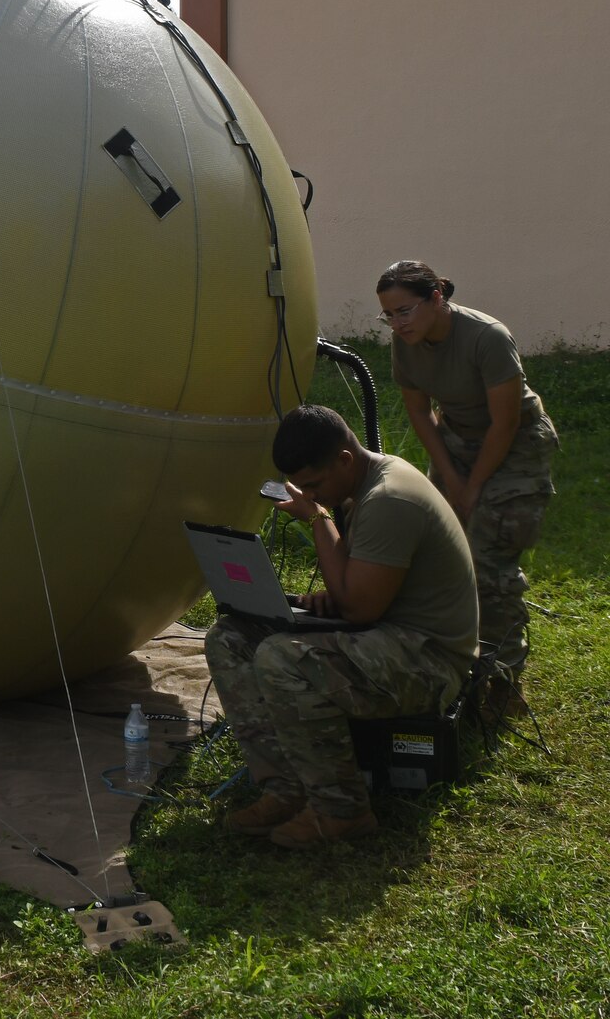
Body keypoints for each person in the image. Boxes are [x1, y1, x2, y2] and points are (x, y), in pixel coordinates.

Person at [208, 405, 477, 848]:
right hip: (388, 632)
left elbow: (360, 610)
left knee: (283, 660)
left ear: (345, 461)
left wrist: (318, 519)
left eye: (314, 485)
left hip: (429, 660)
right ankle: (287, 788)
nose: (311, 496)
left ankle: (342, 811)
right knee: (230, 639)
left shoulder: (390, 498)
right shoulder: (361, 488)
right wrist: (327, 597)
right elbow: (358, 592)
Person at [376, 260, 558, 697]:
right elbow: (421, 413)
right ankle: (446, 656)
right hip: (455, 436)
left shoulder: (487, 337)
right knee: (435, 548)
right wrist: (451, 482)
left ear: (437, 298)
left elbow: (505, 423)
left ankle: (501, 682)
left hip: (515, 445)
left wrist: (472, 487)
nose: (397, 323)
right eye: (388, 314)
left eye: (405, 311)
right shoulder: (407, 343)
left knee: (488, 558)